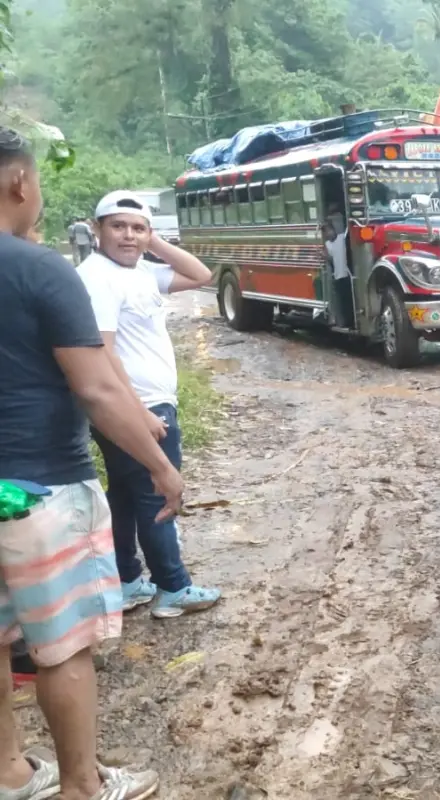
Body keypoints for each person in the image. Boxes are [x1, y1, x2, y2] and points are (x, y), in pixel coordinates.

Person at [0, 127, 180, 800]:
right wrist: (160, 468)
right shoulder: (39, 268)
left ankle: (11, 772)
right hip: (40, 492)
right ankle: (81, 785)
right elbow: (98, 388)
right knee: (63, 647)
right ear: (21, 183)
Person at [76, 190, 221, 621]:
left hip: (144, 404)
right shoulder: (98, 277)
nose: (128, 235)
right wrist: (138, 411)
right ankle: (173, 587)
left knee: (125, 494)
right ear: (96, 229)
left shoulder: (137, 271)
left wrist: (150, 242)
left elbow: (200, 274)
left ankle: (126, 580)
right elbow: (103, 352)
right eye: (118, 226)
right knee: (158, 494)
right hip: (140, 406)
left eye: (137, 228)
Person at [323, 218, 355, 327]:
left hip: (347, 274)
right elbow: (331, 260)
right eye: (325, 232)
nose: (328, 234)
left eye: (329, 230)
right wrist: (325, 257)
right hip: (337, 276)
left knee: (348, 301)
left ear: (333, 230)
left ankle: (350, 322)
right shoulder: (328, 244)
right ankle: (344, 322)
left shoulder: (342, 238)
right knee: (341, 302)